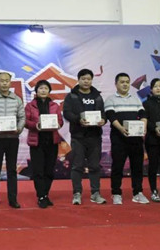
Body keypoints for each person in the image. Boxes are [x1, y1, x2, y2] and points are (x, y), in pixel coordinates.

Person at [63, 69, 107, 205]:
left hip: (95, 136)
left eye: (88, 79)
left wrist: (103, 120)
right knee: (77, 166)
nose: (86, 81)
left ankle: (95, 193)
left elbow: (103, 113)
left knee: (95, 166)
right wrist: (78, 120)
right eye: (83, 79)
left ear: (92, 80)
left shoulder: (97, 96)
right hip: (78, 136)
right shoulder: (72, 96)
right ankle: (77, 193)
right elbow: (67, 113)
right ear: (79, 80)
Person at [104, 73, 148, 205]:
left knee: (137, 167)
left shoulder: (135, 99)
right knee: (117, 166)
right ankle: (116, 193)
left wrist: (143, 126)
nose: (125, 84)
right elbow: (111, 116)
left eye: (127, 82)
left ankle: (138, 192)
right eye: (122, 82)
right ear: (116, 84)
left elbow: (143, 114)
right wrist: (121, 129)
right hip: (119, 138)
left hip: (136, 139)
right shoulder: (110, 99)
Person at [0, 72, 25, 209]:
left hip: (13, 139)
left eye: (7, 81)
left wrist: (19, 129)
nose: (4, 83)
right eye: (1, 81)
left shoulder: (17, 99)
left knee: (12, 170)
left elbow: (22, 117)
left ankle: (13, 199)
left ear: (10, 82)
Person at [24, 80, 64, 208]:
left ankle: (45, 194)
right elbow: (25, 121)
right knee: (38, 171)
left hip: (52, 141)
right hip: (37, 142)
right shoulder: (30, 106)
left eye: (46, 88)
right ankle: (41, 196)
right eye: (41, 88)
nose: (43, 90)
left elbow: (60, 121)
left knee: (49, 170)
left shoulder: (54, 106)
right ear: (36, 91)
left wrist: (58, 124)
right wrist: (36, 125)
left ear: (49, 91)